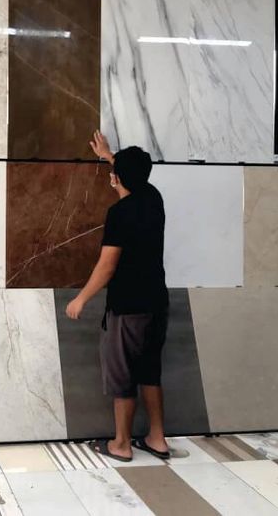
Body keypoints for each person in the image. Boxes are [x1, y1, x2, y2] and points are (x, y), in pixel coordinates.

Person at [65, 131, 170, 462]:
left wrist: (81, 298)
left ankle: (121, 444)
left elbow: (107, 265)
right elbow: (134, 175)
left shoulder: (120, 213)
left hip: (128, 308)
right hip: (157, 303)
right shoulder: (153, 198)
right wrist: (111, 157)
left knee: (123, 375)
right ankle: (157, 439)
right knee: (150, 372)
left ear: (116, 179)